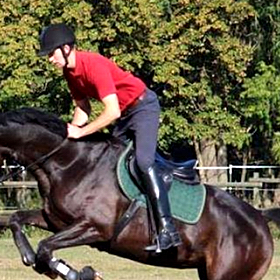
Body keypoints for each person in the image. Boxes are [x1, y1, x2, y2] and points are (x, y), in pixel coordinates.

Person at [38, 23, 181, 253]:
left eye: (51, 53)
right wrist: (70, 135)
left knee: (143, 162)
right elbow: (83, 108)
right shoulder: (70, 72)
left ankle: (167, 230)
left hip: (143, 107)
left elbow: (111, 111)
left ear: (65, 49)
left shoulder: (92, 65)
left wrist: (81, 132)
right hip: (125, 116)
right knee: (108, 162)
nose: (49, 59)